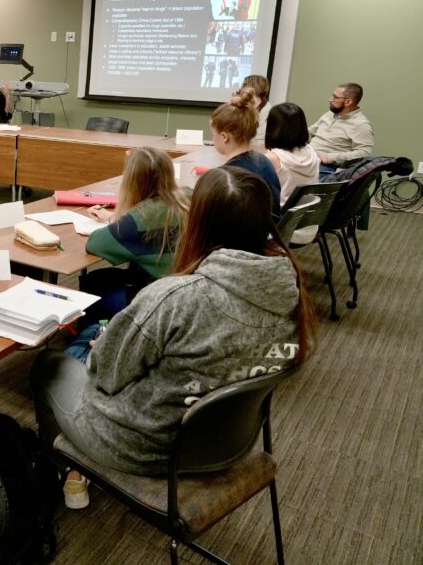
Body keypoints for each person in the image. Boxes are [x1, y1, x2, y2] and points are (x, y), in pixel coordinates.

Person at [31, 166, 316, 509]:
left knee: (48, 365)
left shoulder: (174, 298)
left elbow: (104, 377)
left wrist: (104, 346)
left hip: (144, 448)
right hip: (227, 445)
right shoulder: (290, 289)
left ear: (198, 223)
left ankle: (68, 469)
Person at [70, 147, 188, 356]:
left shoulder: (137, 219)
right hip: (185, 291)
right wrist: (112, 218)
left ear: (132, 181)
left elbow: (95, 244)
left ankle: (92, 344)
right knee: (105, 277)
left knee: (93, 283)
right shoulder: (186, 198)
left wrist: (120, 216)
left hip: (153, 299)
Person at [210, 88, 281, 211]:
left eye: (213, 134)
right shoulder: (264, 161)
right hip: (268, 228)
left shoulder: (228, 176)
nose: (212, 139)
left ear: (224, 137)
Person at [309, 82, 373, 176]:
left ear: (348, 102)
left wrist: (330, 157)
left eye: (335, 97)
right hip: (307, 157)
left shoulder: (361, 124)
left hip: (325, 166)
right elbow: (311, 131)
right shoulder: (330, 114)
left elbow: (364, 153)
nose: (330, 100)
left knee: (284, 176)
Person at [265, 103, 320, 206]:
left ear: (273, 127)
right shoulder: (311, 151)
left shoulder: (273, 158)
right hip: (305, 214)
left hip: (280, 216)